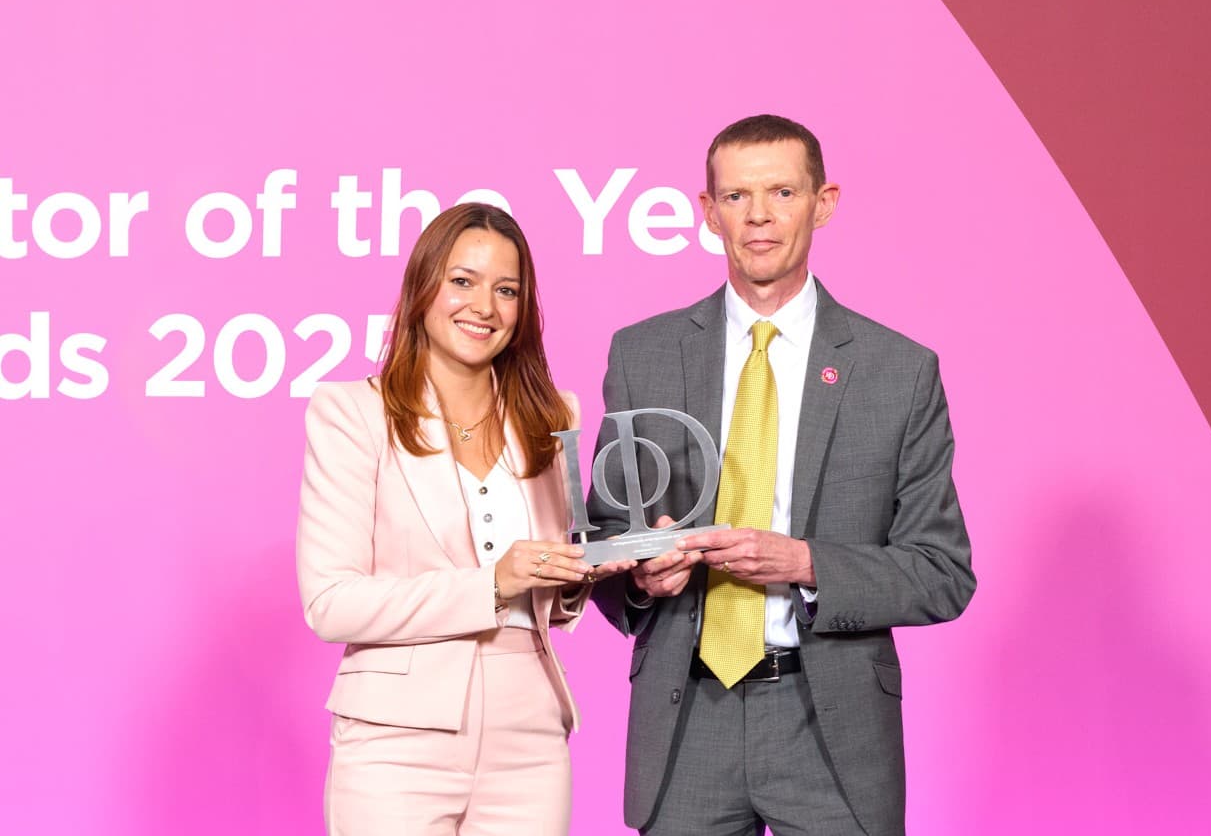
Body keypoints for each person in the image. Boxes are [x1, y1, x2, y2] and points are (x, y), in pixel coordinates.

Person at [588, 115, 976, 836]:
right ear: (707, 213)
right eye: (736, 196)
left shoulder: (898, 372)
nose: (759, 216)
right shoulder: (642, 353)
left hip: (830, 727)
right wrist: (640, 575)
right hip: (686, 724)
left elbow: (941, 572)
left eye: (782, 192)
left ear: (823, 203)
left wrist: (803, 562)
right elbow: (606, 538)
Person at [297, 202, 632, 835]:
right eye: (463, 281)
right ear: (423, 286)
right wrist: (491, 582)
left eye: (506, 290)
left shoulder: (552, 414)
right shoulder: (351, 413)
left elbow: (551, 594)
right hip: (396, 736)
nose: (484, 306)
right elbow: (330, 602)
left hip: (529, 734)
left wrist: (576, 576)